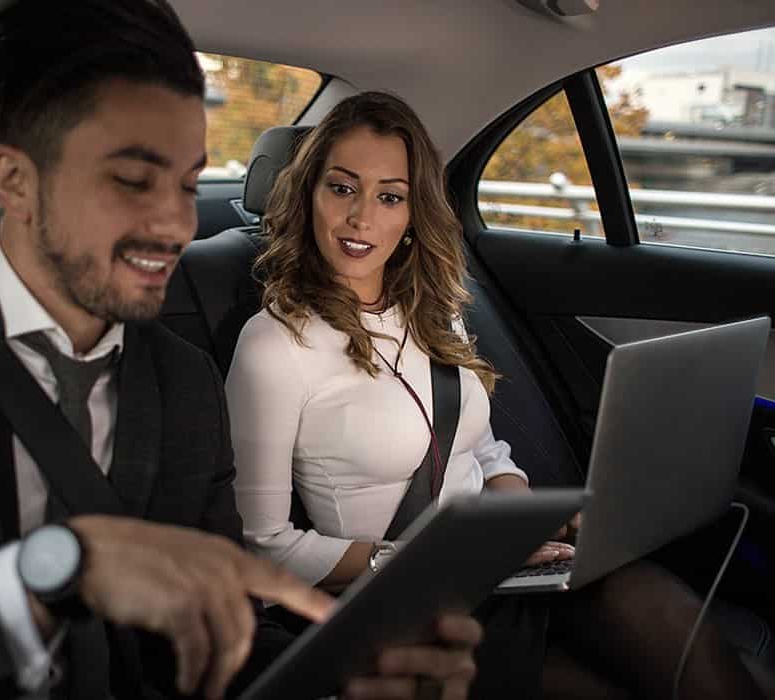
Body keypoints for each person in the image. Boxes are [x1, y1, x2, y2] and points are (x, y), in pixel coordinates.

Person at [0, 3, 485, 699]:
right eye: (133, 180)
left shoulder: (184, 383)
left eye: (187, 183)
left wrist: (349, 676)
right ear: (16, 182)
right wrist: (43, 580)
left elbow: (222, 642)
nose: (176, 222)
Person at [226, 90, 765, 699]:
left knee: (677, 626)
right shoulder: (274, 345)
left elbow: (481, 449)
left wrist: (522, 522)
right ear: (309, 194)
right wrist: (423, 558)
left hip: (502, 571)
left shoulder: (433, 312)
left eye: (390, 196)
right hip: (405, 603)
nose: (361, 217)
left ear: (413, 213)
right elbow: (264, 547)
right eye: (342, 188)